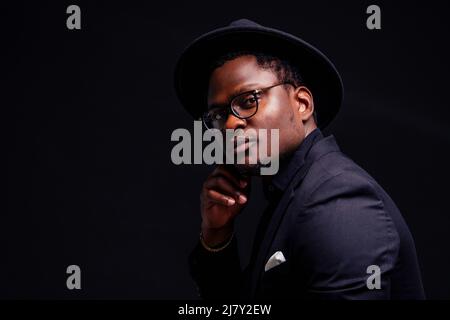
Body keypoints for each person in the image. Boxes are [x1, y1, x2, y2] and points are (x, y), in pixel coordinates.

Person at [174, 19, 425, 299]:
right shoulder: (291, 193)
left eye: (248, 100)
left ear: (302, 104)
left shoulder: (338, 200)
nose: (230, 125)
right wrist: (217, 234)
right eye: (219, 116)